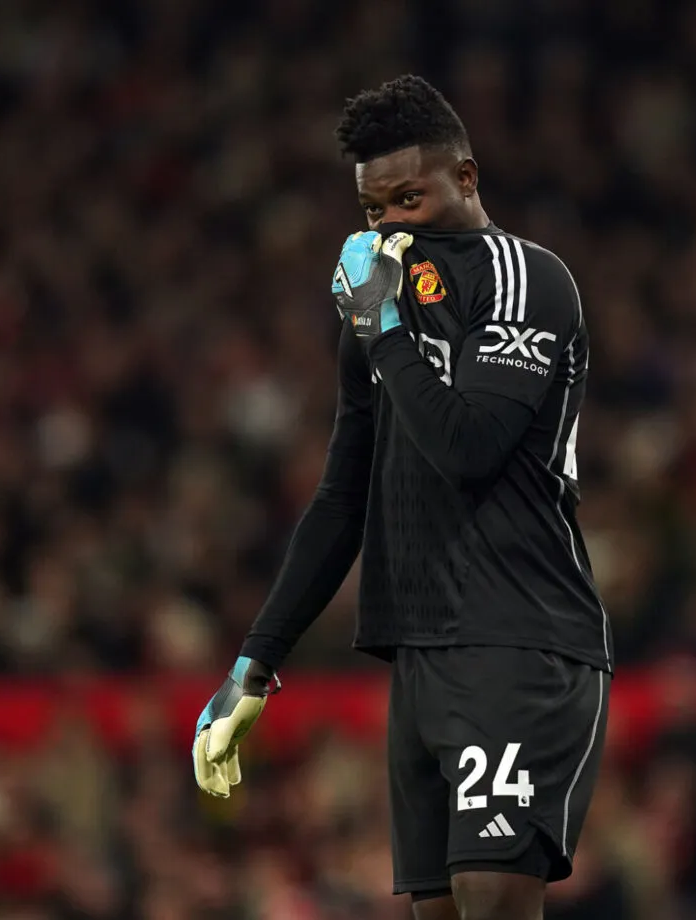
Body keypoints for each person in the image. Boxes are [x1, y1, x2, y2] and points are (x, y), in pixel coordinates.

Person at [192, 74, 611, 920]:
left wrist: (382, 326)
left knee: (492, 901)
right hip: (420, 652)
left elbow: (470, 448)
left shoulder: (525, 278)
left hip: (520, 640)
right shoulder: (377, 320)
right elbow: (343, 499)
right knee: (439, 914)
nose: (390, 225)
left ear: (466, 177)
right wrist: (253, 665)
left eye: (409, 198)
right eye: (373, 208)